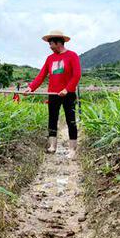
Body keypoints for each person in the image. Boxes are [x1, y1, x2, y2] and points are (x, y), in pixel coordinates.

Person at [24, 30, 81, 159]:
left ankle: (72, 150)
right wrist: (30, 88)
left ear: (58, 43)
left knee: (70, 120)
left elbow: (77, 75)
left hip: (68, 94)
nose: (49, 46)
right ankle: (52, 146)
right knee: (52, 119)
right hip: (53, 93)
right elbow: (41, 75)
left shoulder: (72, 56)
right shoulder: (50, 58)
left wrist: (67, 89)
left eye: (51, 44)